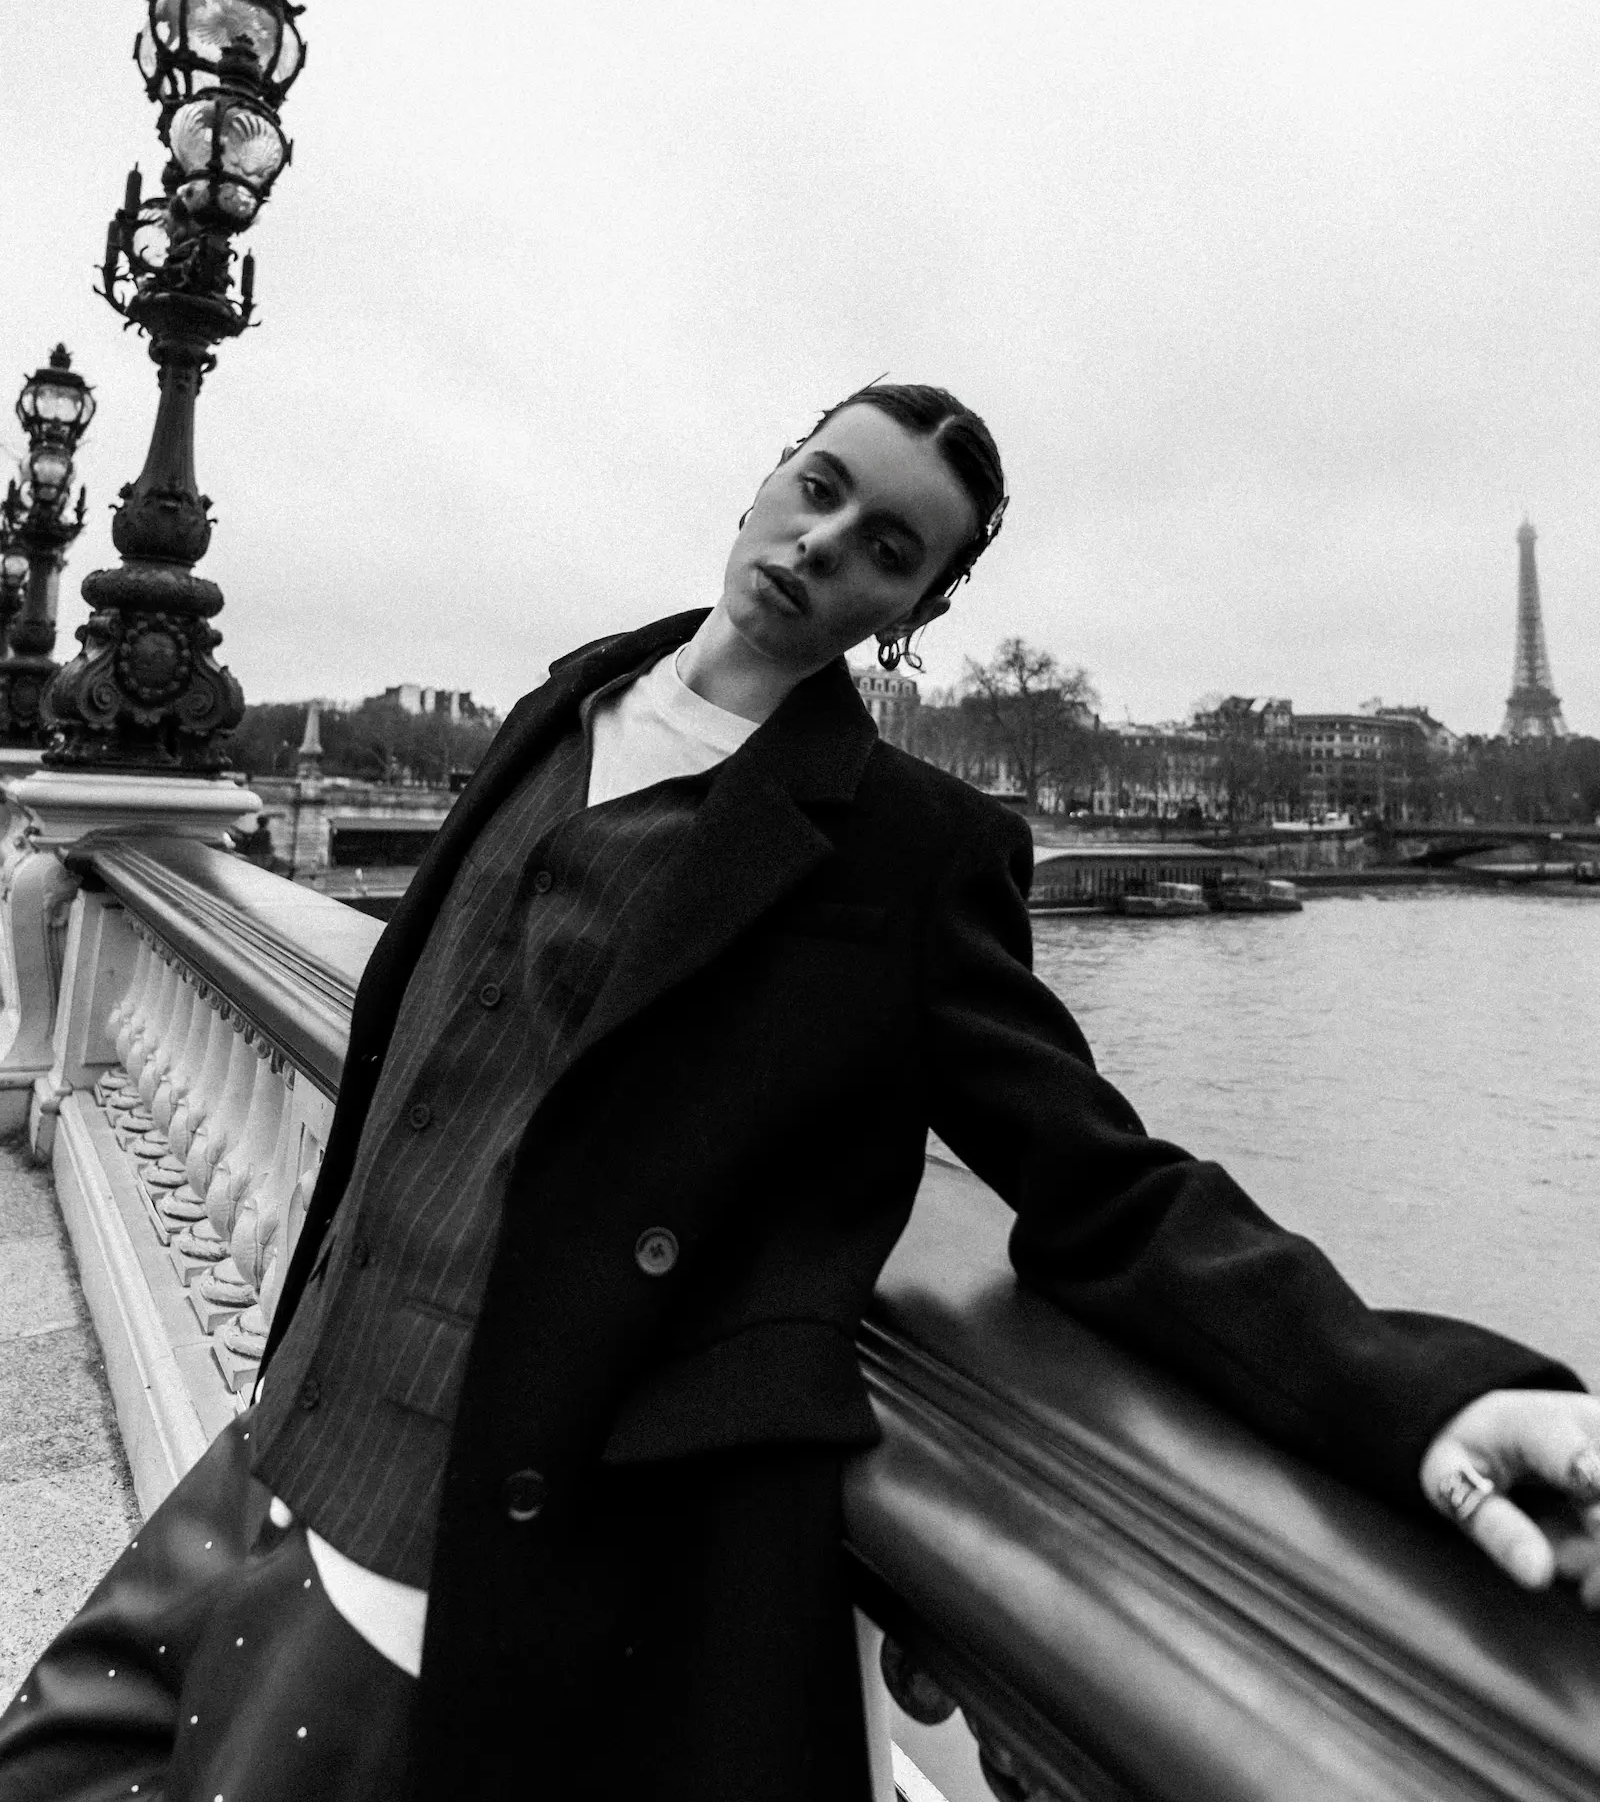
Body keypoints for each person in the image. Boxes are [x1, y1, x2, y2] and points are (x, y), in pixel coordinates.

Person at [3, 382, 1600, 1802]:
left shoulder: (906, 857)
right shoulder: (566, 700)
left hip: (441, 1546)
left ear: (905, 614)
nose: (831, 543)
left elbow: (1099, 1182)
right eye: (822, 486)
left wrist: (1413, 1394)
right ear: (765, 477)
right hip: (277, 1430)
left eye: (891, 549)